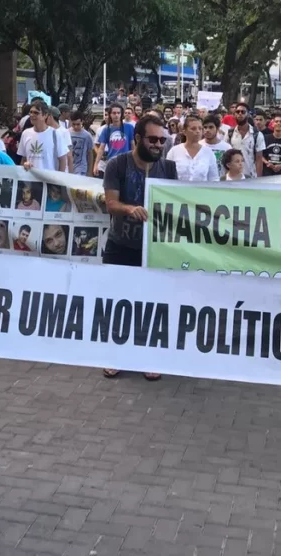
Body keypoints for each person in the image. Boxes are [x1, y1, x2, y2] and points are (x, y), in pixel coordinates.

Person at [102, 114, 176, 380]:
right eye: (153, 139)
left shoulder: (169, 169)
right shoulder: (117, 165)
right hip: (120, 244)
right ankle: (115, 353)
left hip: (155, 248)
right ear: (138, 139)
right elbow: (110, 204)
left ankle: (149, 355)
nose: (158, 145)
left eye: (162, 140)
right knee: (117, 300)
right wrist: (129, 209)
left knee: (153, 302)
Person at [167, 115, 219, 182]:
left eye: (200, 128)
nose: (197, 131)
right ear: (184, 131)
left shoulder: (208, 153)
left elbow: (214, 179)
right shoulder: (174, 151)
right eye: (193, 129)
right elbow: (167, 176)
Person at [19, 103, 69, 172]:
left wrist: (58, 180)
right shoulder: (26, 133)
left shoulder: (56, 134)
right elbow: (23, 159)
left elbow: (63, 160)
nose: (32, 115)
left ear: (45, 115)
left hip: (50, 180)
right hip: (31, 180)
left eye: (36, 113)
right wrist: (25, 165)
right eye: (30, 112)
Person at [93, 104, 134, 177]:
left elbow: (133, 146)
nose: (116, 115)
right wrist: (96, 164)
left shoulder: (129, 128)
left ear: (121, 114)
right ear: (110, 115)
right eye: (114, 113)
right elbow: (101, 148)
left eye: (118, 113)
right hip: (112, 162)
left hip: (126, 162)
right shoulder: (106, 129)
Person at [228, 102, 265, 178]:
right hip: (233, 177)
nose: (240, 114)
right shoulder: (230, 133)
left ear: (248, 114)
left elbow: (259, 159)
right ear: (234, 114)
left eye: (243, 112)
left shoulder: (257, 135)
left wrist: (258, 179)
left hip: (251, 176)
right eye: (237, 112)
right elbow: (226, 156)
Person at [201, 114, 232, 179]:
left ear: (217, 129)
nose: (207, 130)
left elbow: (229, 170)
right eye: (205, 127)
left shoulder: (227, 148)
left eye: (211, 127)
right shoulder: (198, 145)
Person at [69, 111, 95, 176]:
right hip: (69, 166)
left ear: (82, 122)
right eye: (73, 124)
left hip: (81, 168)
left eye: (78, 124)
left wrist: (89, 171)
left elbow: (90, 153)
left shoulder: (87, 135)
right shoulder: (67, 133)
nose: (76, 127)